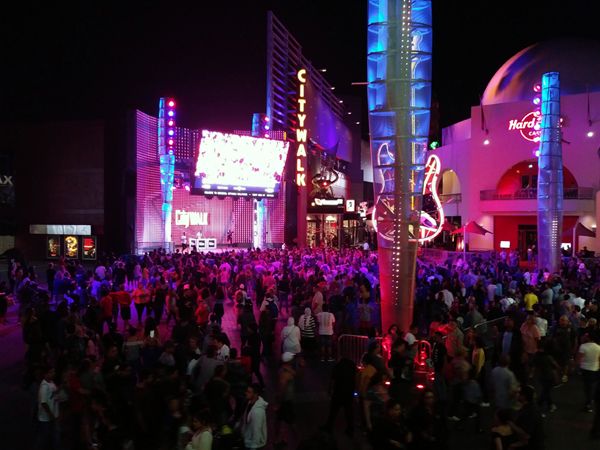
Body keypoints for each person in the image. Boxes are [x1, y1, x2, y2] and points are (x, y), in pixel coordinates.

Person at [323, 354, 357, 436]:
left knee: (334, 410)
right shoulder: (352, 366)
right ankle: (350, 429)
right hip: (349, 391)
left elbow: (333, 379)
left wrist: (330, 389)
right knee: (349, 411)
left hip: (338, 391)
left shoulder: (338, 366)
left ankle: (329, 427)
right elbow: (355, 377)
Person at [36, 366, 60, 450]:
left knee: (51, 436)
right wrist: (50, 415)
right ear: (45, 374)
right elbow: (43, 402)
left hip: (53, 415)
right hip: (46, 418)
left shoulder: (51, 382)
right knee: (45, 437)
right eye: (51, 372)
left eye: (54, 372)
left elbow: (52, 394)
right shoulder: (44, 387)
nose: (53, 374)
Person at [275, 352, 296, 447]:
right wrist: (278, 403)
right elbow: (282, 388)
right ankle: (280, 440)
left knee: (281, 420)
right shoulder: (285, 373)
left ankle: (282, 439)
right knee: (286, 421)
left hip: (286, 400)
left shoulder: (287, 369)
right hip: (285, 401)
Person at [577, 332, 600, 412]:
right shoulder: (598, 347)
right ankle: (591, 400)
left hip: (586, 369)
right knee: (593, 386)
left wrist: (579, 368)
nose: (584, 337)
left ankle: (588, 404)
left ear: (589, 338)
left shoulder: (583, 346)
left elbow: (579, 359)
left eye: (586, 336)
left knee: (587, 387)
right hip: (596, 369)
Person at [241, 383, 268, 450]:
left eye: (249, 392)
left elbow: (257, 431)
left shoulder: (257, 412)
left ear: (255, 394)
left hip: (254, 445)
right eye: (247, 391)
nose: (246, 393)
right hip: (248, 440)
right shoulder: (250, 403)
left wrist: (253, 447)